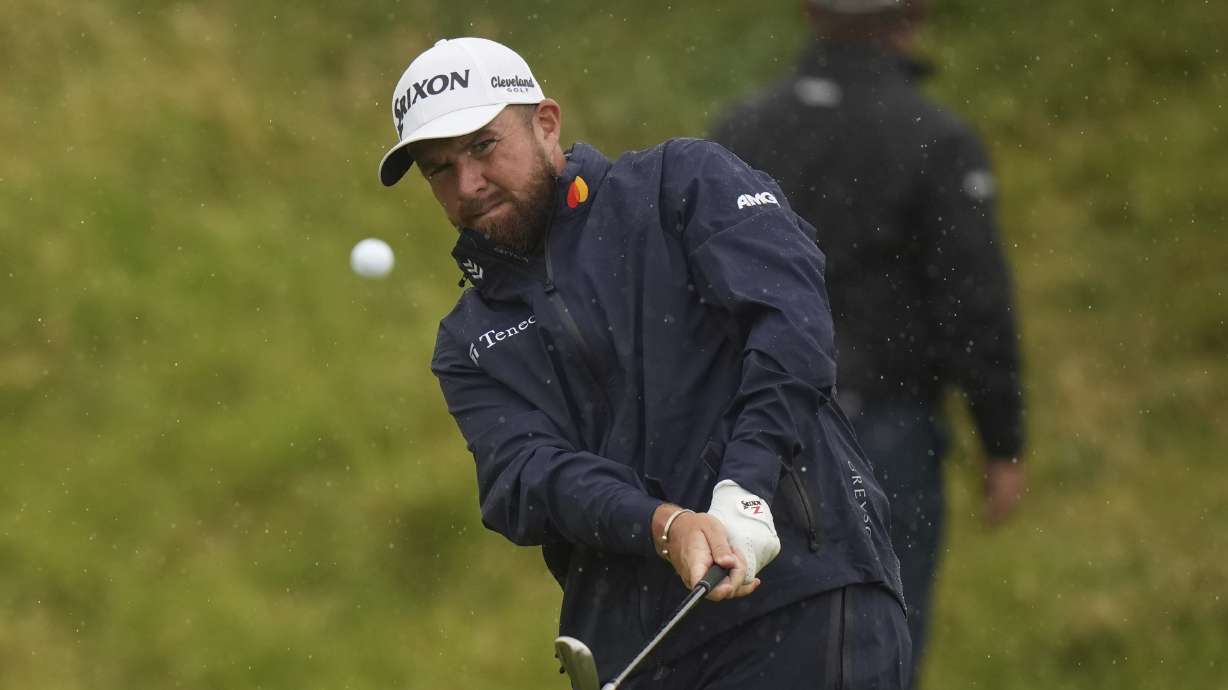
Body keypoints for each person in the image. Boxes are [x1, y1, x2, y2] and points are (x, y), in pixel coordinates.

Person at [378, 37, 910, 689]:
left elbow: (789, 325)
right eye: (440, 169)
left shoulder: (681, 185)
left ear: (546, 123)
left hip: (803, 594)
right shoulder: (469, 341)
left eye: (484, 146)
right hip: (641, 650)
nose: (469, 185)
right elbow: (528, 477)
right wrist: (665, 526)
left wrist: (743, 488)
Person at [710, 1, 1027, 686]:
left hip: (757, 430)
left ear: (809, 15)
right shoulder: (936, 139)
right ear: (913, 18)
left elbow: (700, 290)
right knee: (880, 641)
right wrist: (1002, 440)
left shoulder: (741, 131)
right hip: (885, 431)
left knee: (762, 643)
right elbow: (973, 301)